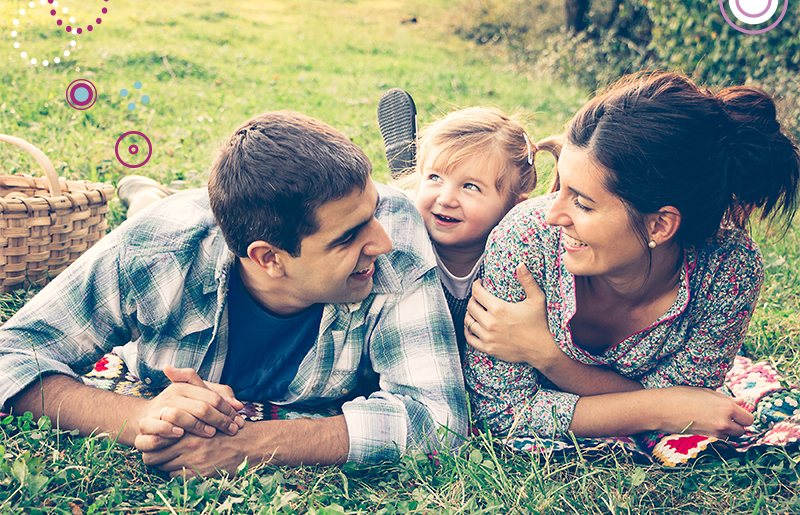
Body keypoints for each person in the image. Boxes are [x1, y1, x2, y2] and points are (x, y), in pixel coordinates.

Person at [0, 111, 468, 477]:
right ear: (269, 258)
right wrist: (142, 415)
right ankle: (146, 196)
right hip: (178, 224)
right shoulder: (155, 248)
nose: (381, 242)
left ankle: (149, 191)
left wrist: (245, 446)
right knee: (152, 211)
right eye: (347, 238)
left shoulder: (396, 230)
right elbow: (11, 354)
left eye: (372, 213)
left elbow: (439, 418)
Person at [463, 71, 800, 441]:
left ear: (660, 225)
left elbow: (687, 402)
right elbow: (503, 411)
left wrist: (548, 357)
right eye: (561, 186)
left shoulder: (727, 272)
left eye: (583, 203)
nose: (552, 215)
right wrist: (664, 407)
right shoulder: (527, 239)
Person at [391, 105, 540, 354]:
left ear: (514, 209)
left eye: (470, 186)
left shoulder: (517, 263)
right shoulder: (402, 242)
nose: (447, 199)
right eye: (434, 177)